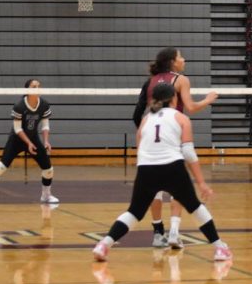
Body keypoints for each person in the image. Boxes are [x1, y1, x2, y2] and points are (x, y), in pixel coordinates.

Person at [93, 82, 232, 263]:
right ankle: (220, 248)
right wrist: (202, 182)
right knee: (195, 207)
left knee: (134, 212)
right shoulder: (181, 118)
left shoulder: (145, 120)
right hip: (172, 167)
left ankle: (104, 244)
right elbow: (189, 153)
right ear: (174, 98)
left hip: (146, 169)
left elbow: (141, 148)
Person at [133, 47, 219, 249]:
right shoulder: (181, 79)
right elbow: (190, 107)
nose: (184, 59)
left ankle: (157, 233)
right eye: (180, 56)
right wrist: (208, 99)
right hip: (174, 134)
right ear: (173, 62)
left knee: (153, 189)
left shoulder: (151, 81)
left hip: (152, 136)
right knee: (177, 186)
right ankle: (173, 232)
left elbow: (139, 112)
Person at [0, 79, 57, 205]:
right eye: (34, 86)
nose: (37, 88)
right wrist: (28, 143)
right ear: (27, 90)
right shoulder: (19, 106)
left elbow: (45, 126)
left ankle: (46, 196)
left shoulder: (44, 105)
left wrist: (46, 141)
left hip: (33, 139)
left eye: (39, 86)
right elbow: (17, 129)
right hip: (17, 139)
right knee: (2, 167)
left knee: (48, 168)